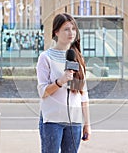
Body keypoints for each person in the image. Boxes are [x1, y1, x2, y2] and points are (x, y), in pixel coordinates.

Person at [36, 13, 91, 153]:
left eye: (73, 29)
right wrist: (60, 81)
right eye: (66, 29)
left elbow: (83, 95)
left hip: (74, 122)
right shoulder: (45, 57)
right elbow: (43, 92)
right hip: (52, 121)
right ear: (56, 32)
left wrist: (87, 124)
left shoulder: (76, 57)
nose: (71, 33)